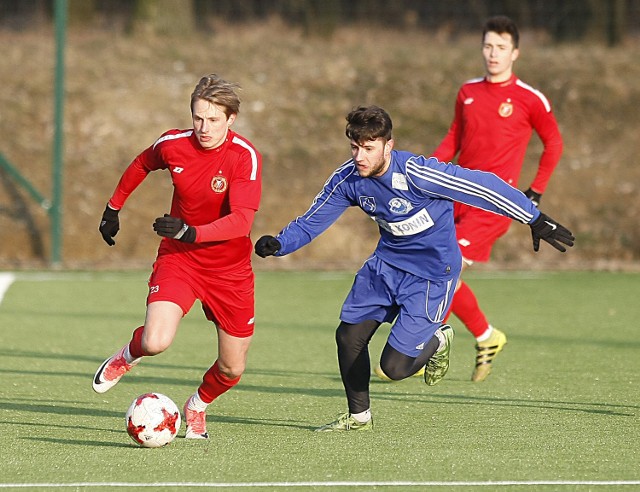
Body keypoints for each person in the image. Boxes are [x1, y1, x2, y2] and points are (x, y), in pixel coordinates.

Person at [254, 105, 573, 431]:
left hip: (432, 276)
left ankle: (438, 338)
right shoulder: (349, 178)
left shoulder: (419, 174)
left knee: (394, 368)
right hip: (385, 267)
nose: (360, 156)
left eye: (368, 148)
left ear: (387, 145)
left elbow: (483, 186)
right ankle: (359, 417)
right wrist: (281, 244)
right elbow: (313, 219)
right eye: (354, 147)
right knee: (348, 336)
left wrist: (534, 218)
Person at [93, 74, 262, 440]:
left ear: (231, 119)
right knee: (155, 341)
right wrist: (113, 208)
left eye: (214, 120)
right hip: (180, 259)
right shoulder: (173, 144)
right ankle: (127, 355)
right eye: (198, 118)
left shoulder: (243, 157)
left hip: (229, 270)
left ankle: (198, 405)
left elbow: (242, 220)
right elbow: (142, 163)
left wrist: (193, 232)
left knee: (232, 369)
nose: (204, 128)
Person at [430, 15, 564, 382]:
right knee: (438, 269)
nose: (493, 53)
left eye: (501, 47)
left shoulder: (529, 98)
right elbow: (454, 139)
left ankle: (422, 348)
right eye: (488, 45)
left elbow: (553, 143)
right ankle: (487, 336)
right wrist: (425, 172)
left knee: (446, 267)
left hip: (492, 205)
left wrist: (535, 189)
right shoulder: (467, 91)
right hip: (455, 197)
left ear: (515, 53)